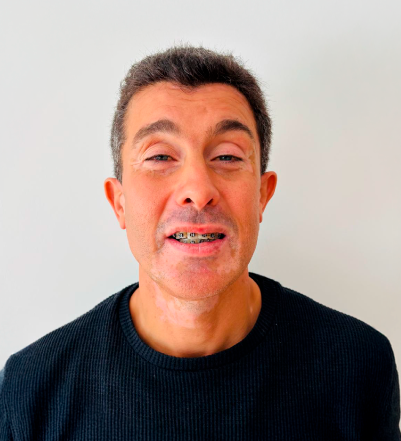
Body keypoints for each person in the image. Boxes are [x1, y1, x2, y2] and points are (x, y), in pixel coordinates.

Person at [0, 46, 399, 440]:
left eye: (227, 157)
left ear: (262, 194)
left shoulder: (357, 367)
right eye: (160, 157)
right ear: (119, 203)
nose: (198, 190)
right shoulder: (31, 391)